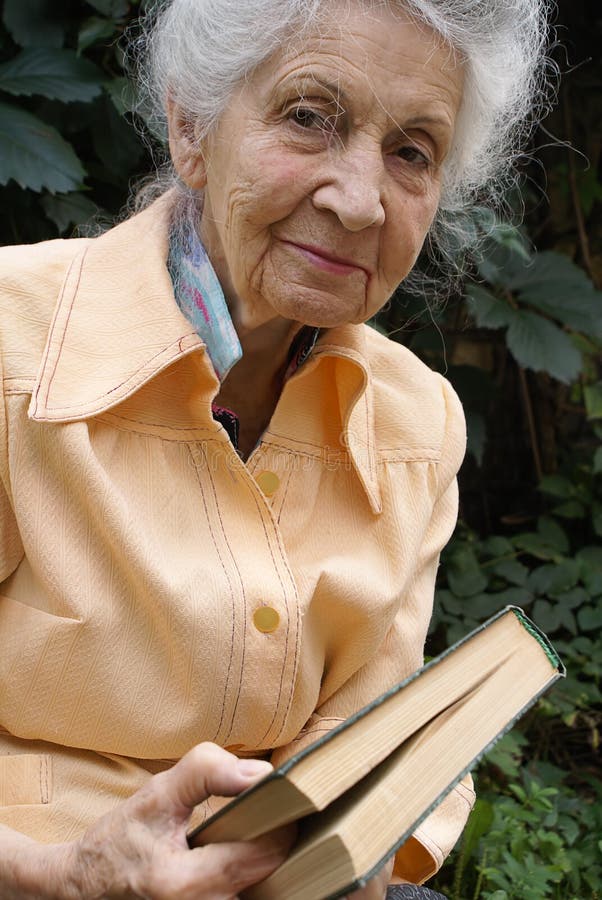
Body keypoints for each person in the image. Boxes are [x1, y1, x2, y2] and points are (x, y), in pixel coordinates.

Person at [0, 0, 550, 897]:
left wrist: (355, 838)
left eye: (412, 151)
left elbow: (359, 739)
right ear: (191, 128)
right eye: (309, 117)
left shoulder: (419, 425)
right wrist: (65, 872)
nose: (361, 198)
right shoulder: (10, 345)